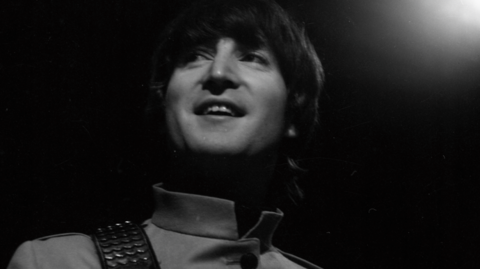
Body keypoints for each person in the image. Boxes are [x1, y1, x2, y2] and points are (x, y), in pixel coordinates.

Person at [7, 0, 324, 268]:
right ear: (162, 103)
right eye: (195, 56)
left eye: (252, 57)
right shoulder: (56, 262)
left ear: (293, 114)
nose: (217, 73)